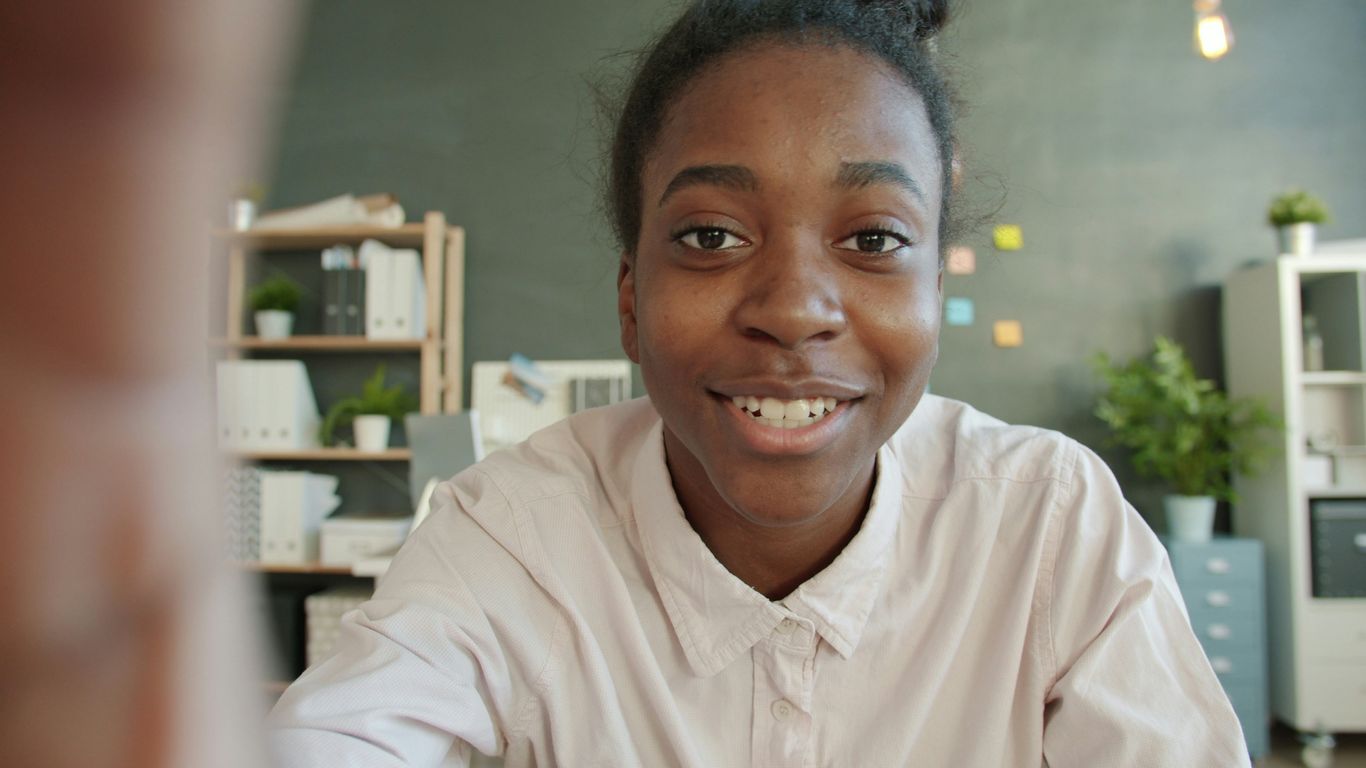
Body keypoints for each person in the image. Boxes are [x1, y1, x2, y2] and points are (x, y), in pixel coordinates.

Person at [269, 1, 1250, 765]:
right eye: (709, 237)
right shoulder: (515, 534)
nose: (791, 309)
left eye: (872, 239)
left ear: (931, 287)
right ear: (629, 298)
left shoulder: (1049, 526)